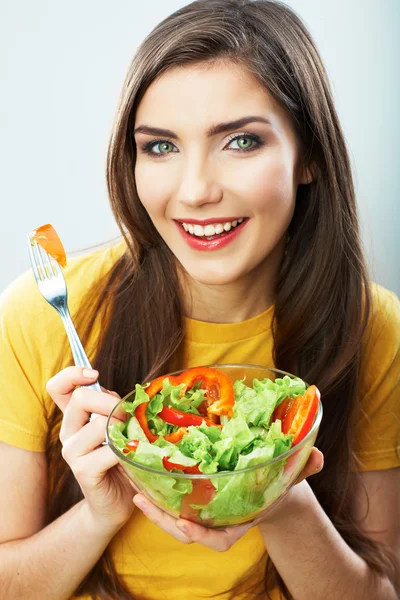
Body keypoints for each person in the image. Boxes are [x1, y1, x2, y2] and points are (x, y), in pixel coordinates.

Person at [0, 0, 399, 598]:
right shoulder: (44, 312)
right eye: (161, 147)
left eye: (240, 141)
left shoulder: (374, 329)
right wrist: (100, 513)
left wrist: (278, 496)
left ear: (309, 156)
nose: (195, 191)